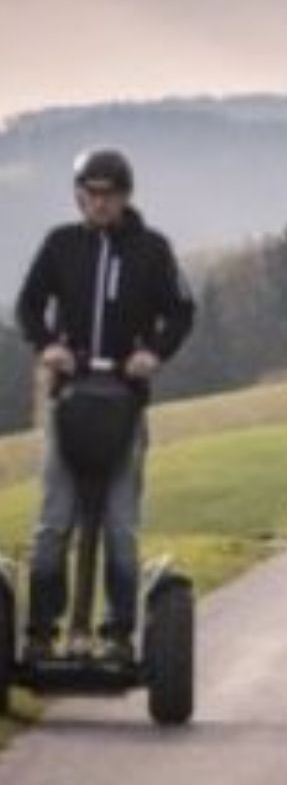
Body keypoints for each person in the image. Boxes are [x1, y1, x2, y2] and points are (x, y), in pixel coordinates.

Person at [16, 149, 195, 660]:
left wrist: (152, 353)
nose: (98, 202)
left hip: (125, 403)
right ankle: (41, 635)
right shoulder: (61, 245)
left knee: (120, 527)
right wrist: (47, 343)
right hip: (67, 401)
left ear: (124, 196)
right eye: (90, 193)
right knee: (53, 524)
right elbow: (28, 305)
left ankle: (117, 635)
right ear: (79, 195)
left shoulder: (152, 250)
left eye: (108, 194)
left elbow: (181, 311)